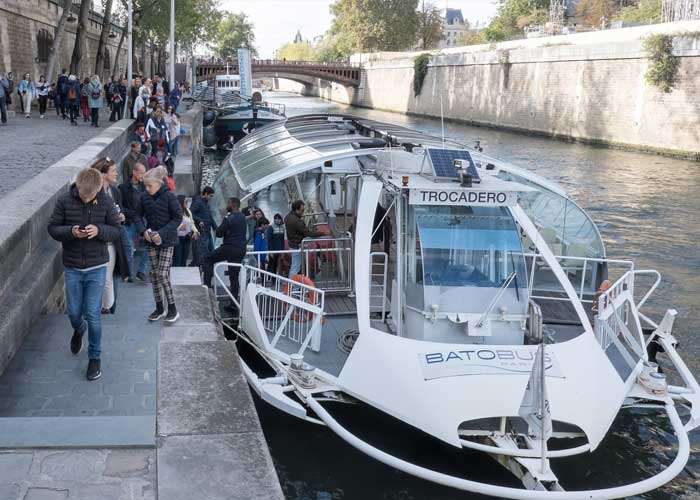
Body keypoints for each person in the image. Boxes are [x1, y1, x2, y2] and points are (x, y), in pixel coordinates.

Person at [47, 167, 121, 381]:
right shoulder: (64, 201)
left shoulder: (106, 201)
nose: (87, 198)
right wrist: (71, 232)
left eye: (91, 195)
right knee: (73, 313)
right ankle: (79, 329)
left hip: (97, 266)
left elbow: (116, 230)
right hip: (72, 266)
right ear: (77, 187)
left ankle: (94, 358)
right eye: (83, 195)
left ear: (98, 189)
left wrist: (99, 230)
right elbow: (52, 228)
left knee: (93, 315)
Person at [136, 169, 182, 322]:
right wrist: (143, 231)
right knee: (154, 275)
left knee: (162, 274)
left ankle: (173, 308)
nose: (147, 189)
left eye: (149, 186)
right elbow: (137, 215)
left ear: (159, 183)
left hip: (167, 240)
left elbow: (177, 218)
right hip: (150, 240)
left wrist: (161, 233)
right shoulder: (144, 197)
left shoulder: (169, 196)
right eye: (145, 186)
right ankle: (159, 308)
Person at [91, 157, 130, 313]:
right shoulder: (94, 193)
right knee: (101, 278)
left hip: (114, 241)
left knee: (110, 277)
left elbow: (121, 210)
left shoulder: (115, 191)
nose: (116, 173)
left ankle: (108, 308)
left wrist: (122, 217)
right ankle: (100, 308)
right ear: (103, 174)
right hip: (99, 242)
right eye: (113, 171)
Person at [203, 197, 247, 310]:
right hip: (241, 249)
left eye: (227, 203)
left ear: (232, 205)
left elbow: (218, 233)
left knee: (208, 259)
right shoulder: (242, 217)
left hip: (229, 247)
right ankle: (233, 304)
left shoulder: (229, 217)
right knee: (234, 277)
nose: (227, 205)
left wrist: (224, 221)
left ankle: (207, 290)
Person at [119, 162, 149, 283]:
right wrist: (132, 214)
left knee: (150, 244)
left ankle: (141, 271)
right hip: (130, 221)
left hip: (142, 220)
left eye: (144, 172)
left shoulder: (145, 186)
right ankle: (130, 274)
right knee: (129, 248)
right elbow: (120, 206)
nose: (143, 175)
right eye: (141, 172)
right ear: (134, 172)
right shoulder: (122, 187)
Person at [284, 200, 327, 278]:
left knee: (295, 265)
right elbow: (308, 233)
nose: (303, 213)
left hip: (292, 244)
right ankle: (294, 286)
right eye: (302, 210)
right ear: (296, 210)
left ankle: (293, 284)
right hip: (297, 245)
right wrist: (322, 233)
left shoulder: (287, 217)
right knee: (296, 266)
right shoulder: (297, 222)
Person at [173, 195, 199, 267]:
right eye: (185, 202)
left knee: (184, 258)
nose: (187, 203)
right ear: (180, 202)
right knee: (177, 258)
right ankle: (175, 276)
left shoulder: (187, 210)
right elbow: (171, 223)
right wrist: (178, 227)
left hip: (187, 237)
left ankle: (183, 275)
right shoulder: (175, 211)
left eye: (187, 202)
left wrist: (195, 231)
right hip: (177, 237)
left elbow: (192, 222)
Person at [190, 186, 217, 254]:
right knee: (203, 251)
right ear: (205, 194)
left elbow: (209, 216)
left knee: (211, 251)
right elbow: (190, 214)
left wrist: (215, 227)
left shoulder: (206, 203)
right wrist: (199, 220)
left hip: (207, 230)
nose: (211, 198)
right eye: (210, 196)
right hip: (200, 231)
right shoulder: (197, 202)